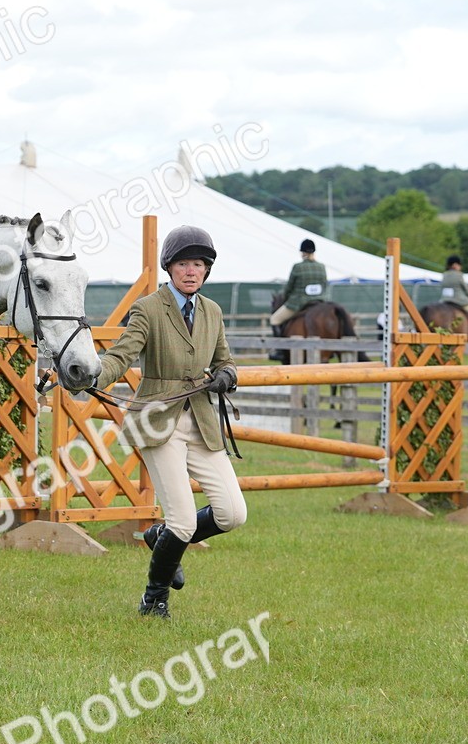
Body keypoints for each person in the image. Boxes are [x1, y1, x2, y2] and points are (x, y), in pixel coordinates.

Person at [94, 225, 247, 620]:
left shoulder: (212, 311)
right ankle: (154, 597)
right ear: (170, 267)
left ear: (206, 270)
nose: (191, 271)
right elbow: (122, 354)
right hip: (159, 421)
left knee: (232, 513)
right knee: (181, 520)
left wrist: (227, 375)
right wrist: (93, 374)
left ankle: (159, 537)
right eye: (183, 263)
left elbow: (224, 360)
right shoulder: (148, 308)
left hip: (200, 421)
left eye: (199, 264)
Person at [268, 239, 330, 362]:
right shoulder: (322, 267)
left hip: (299, 303)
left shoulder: (298, 267)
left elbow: (289, 288)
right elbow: (324, 285)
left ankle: (280, 350)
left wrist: (285, 298)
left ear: (302, 252)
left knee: (274, 319)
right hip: (319, 302)